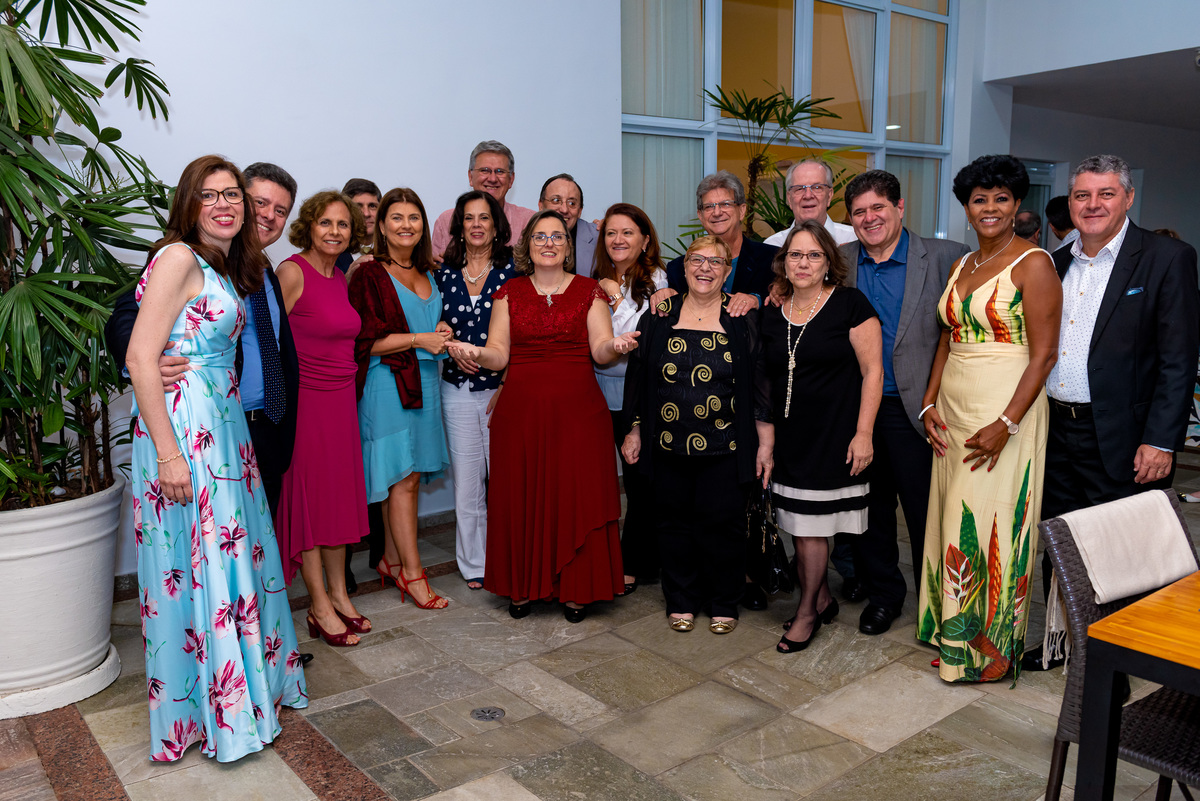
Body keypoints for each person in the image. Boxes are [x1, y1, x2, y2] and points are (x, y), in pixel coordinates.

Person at [126, 155, 306, 762]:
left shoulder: (226, 265)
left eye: (234, 196)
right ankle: (218, 713)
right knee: (202, 566)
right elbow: (137, 357)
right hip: (187, 435)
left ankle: (232, 701)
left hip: (224, 430)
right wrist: (171, 457)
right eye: (212, 196)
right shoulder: (177, 256)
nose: (226, 205)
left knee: (226, 565)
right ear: (189, 204)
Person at [1025, 154, 1200, 671]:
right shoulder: (1051, 263)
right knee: (1057, 542)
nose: (1093, 204)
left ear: (1127, 198)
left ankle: (1117, 654)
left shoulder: (1167, 257)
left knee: (1117, 548)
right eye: (1082, 195)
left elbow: (1178, 358)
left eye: (1105, 194)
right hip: (1055, 429)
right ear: (1070, 203)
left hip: (1125, 437)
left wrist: (1162, 440)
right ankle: (1062, 643)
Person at [447, 210, 637, 623]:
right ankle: (523, 585)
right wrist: (476, 353)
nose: (549, 243)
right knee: (521, 494)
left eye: (557, 237)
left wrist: (618, 346)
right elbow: (499, 354)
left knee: (575, 494)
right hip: (521, 412)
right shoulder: (510, 292)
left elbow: (600, 350)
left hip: (579, 414)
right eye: (540, 237)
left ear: (568, 248)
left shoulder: (590, 291)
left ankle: (576, 587)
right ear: (527, 246)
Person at [916, 155, 1061, 683]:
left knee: (992, 523)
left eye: (1001, 198)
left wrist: (1008, 422)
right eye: (980, 200)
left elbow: (1044, 355)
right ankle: (955, 633)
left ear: (1018, 204)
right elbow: (949, 337)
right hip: (954, 409)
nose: (990, 208)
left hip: (1005, 409)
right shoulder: (963, 265)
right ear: (967, 207)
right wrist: (929, 402)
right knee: (953, 516)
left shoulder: (1035, 262)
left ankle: (989, 654)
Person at [839, 170, 970, 636]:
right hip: (859, 413)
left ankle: (936, 603)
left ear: (899, 208)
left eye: (878, 207)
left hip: (920, 409)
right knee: (870, 514)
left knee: (924, 513)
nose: (869, 218)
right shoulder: (839, 261)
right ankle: (885, 597)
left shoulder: (948, 257)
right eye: (859, 212)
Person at [622, 235, 773, 635]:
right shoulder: (659, 312)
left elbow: (760, 385)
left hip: (727, 445)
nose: (705, 268)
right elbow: (639, 378)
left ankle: (724, 600)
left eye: (716, 262)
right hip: (666, 444)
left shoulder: (741, 317)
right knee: (672, 524)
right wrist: (635, 429)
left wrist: (766, 445)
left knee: (723, 524)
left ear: (727, 271)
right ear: (684, 266)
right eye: (697, 260)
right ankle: (682, 599)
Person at [763, 221, 883, 653]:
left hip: (835, 434)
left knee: (813, 530)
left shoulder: (850, 304)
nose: (804, 263)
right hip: (791, 436)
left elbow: (873, 372)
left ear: (829, 262)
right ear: (783, 261)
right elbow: (766, 380)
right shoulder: (773, 310)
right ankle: (824, 598)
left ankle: (808, 611)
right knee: (797, 525)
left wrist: (864, 433)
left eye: (814, 255)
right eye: (795, 254)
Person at [274, 191, 373, 646]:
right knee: (311, 504)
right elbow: (269, 344)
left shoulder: (340, 276)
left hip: (341, 404)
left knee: (337, 501)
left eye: (343, 225)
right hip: (309, 406)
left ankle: (340, 594)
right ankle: (317, 604)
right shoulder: (292, 272)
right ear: (309, 227)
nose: (335, 232)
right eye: (326, 223)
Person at [349, 188, 453, 609]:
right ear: (381, 225)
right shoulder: (370, 273)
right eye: (397, 217)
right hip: (386, 385)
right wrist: (419, 338)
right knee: (403, 479)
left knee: (403, 481)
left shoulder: (430, 273)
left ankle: (391, 561)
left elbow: (429, 326)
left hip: (426, 382)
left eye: (414, 217)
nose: (406, 225)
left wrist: (439, 329)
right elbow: (362, 343)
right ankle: (413, 574)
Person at [433, 190, 515, 590]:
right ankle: (475, 564)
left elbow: (527, 334)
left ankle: (510, 555)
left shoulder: (515, 273)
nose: (477, 225)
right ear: (459, 226)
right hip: (457, 389)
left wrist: (506, 379)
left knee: (506, 480)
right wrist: (448, 341)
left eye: (485, 217)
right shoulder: (442, 275)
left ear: (498, 226)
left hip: (504, 390)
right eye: (469, 218)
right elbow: (431, 324)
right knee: (468, 483)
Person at [592, 203, 669, 596]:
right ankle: (605, 557)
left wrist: (614, 298)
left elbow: (634, 339)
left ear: (645, 241)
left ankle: (636, 562)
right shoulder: (593, 279)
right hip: (595, 395)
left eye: (627, 233)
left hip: (637, 399)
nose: (618, 240)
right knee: (603, 483)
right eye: (610, 233)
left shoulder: (656, 280)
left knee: (639, 482)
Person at [656, 171, 776, 321]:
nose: (717, 212)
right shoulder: (678, 269)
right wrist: (661, 295)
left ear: (742, 210)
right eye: (709, 207)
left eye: (725, 204)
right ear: (700, 215)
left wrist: (757, 300)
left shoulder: (773, 260)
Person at [432, 140, 536, 256]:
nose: (492, 179)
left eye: (500, 171)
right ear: (470, 177)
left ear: (511, 180)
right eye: (484, 171)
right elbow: (434, 270)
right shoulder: (446, 221)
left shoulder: (529, 222)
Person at [765, 159, 857, 247]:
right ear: (789, 198)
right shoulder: (773, 246)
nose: (808, 195)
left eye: (817, 187)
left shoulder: (854, 239)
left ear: (829, 195)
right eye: (799, 188)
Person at [539, 173, 598, 276]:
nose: (564, 209)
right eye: (556, 200)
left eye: (572, 203)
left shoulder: (599, 238)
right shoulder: (528, 236)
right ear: (541, 205)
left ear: (580, 211)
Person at [336, 178, 381, 273]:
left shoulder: (393, 250)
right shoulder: (332, 252)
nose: (366, 214)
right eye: (358, 206)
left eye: (372, 206)